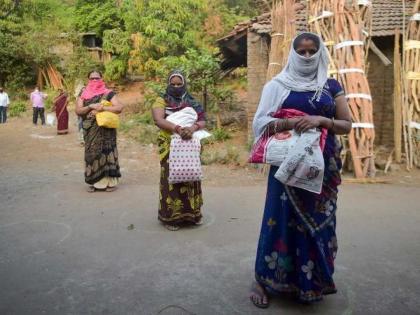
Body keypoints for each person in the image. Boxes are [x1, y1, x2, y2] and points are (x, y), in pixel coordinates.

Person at [249, 32, 352, 308]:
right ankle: (263, 278)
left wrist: (320, 119)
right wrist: (290, 123)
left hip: (323, 166)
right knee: (279, 219)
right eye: (302, 51)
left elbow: (346, 124)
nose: (307, 56)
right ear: (294, 54)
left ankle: (312, 282)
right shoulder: (278, 86)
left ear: (319, 53)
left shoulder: (331, 86)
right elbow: (260, 123)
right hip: (287, 165)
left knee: (321, 222)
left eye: (311, 51)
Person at [152, 70, 206, 231]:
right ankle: (171, 217)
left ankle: (193, 215)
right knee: (172, 177)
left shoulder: (191, 101)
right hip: (169, 144)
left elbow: (202, 119)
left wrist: (192, 127)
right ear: (168, 83)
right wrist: (177, 128)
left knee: (191, 175)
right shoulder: (160, 100)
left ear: (184, 84)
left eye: (179, 84)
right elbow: (158, 119)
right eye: (173, 84)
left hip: (189, 143)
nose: (176, 87)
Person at [75, 70, 123, 192]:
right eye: (92, 78)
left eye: (97, 78)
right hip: (90, 129)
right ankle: (94, 181)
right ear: (88, 80)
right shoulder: (83, 93)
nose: (94, 81)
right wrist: (90, 106)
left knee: (107, 152)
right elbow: (78, 111)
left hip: (107, 130)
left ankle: (110, 183)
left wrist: (102, 108)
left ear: (102, 78)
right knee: (92, 153)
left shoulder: (108, 93)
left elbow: (119, 107)